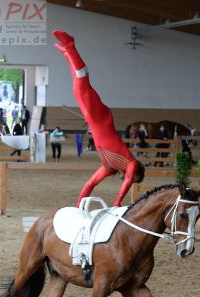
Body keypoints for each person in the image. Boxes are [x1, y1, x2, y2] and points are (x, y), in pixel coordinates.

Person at [53, 30, 144, 207]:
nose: (127, 178)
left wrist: (79, 206)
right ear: (137, 173)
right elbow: (127, 181)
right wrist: (117, 203)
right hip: (101, 119)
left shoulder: (110, 167)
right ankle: (70, 46)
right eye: (134, 178)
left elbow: (91, 183)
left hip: (93, 121)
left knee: (77, 86)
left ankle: (67, 53)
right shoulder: (131, 163)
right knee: (82, 84)